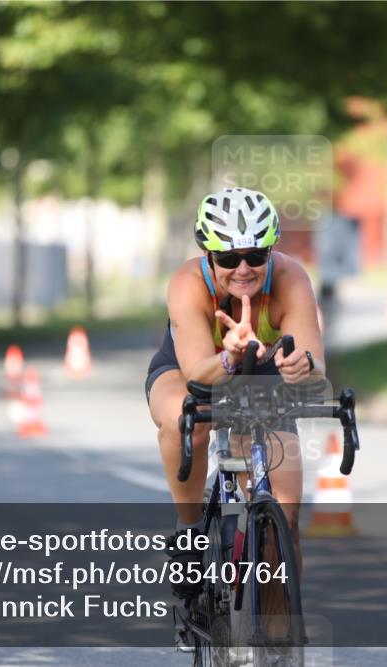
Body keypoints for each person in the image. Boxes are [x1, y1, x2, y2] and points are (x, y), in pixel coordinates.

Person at [145, 187, 325, 598]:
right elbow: (196, 373)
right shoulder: (187, 283)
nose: (242, 269)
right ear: (207, 256)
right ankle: (190, 534)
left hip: (262, 376)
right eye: (227, 259)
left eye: (255, 256)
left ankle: (279, 644)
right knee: (184, 420)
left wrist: (304, 366)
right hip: (192, 369)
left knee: (284, 512)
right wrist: (227, 355)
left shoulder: (290, 277)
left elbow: (315, 362)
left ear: (271, 253)